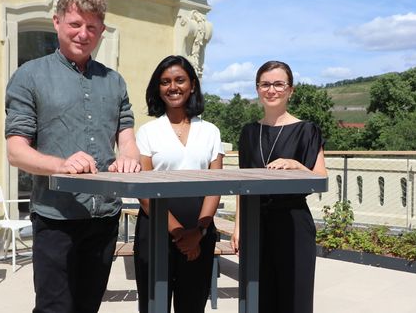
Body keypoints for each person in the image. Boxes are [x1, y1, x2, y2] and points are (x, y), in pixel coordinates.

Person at [4, 0, 141, 313]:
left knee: (88, 306)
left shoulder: (115, 81)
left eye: (92, 27)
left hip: (105, 217)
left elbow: (128, 139)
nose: (83, 34)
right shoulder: (29, 76)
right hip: (56, 218)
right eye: (76, 24)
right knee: (54, 308)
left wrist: (128, 158)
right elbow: (16, 151)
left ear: (101, 30)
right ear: (57, 22)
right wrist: (60, 164)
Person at [231, 61, 327, 313]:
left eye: (278, 84)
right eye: (265, 84)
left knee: (294, 298)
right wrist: (238, 226)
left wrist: (296, 164)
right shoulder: (248, 132)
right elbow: (243, 184)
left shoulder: (307, 130)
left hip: (292, 224)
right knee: (257, 298)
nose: (271, 90)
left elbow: (320, 179)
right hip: (255, 224)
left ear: (290, 90)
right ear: (257, 89)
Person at [133, 55, 224, 313]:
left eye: (180, 80)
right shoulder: (148, 132)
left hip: (201, 230)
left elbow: (215, 186)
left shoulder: (211, 131)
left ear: (192, 85)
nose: (173, 87)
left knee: (193, 306)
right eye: (165, 82)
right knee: (153, 307)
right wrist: (178, 233)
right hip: (156, 231)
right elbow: (144, 190)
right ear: (158, 88)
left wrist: (199, 232)